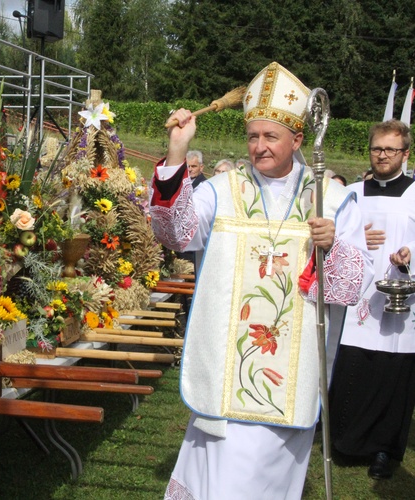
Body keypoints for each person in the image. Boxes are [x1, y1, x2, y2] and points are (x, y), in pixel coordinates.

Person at [150, 62, 373, 499]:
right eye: (253, 136)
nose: (259, 146)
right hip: (224, 369)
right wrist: (177, 151)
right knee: (218, 476)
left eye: (271, 136)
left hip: (289, 373)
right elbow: (173, 233)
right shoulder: (222, 189)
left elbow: (352, 284)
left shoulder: (330, 198)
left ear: (298, 139)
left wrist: (332, 248)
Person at [328, 119, 415, 480]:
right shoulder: (353, 194)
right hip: (359, 299)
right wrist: (354, 234)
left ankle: (384, 449)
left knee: (393, 373)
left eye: (390, 150)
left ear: (405, 154)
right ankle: (344, 442)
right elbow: (333, 235)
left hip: (401, 298)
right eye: (377, 148)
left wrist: (409, 254)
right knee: (353, 364)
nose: (382, 155)